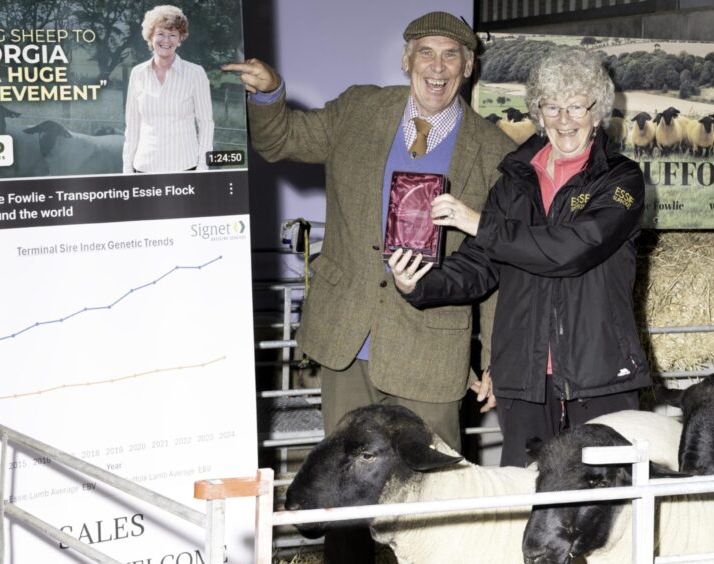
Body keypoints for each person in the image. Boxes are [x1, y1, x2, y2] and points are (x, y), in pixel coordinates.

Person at [223, 11, 513, 454]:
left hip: (431, 354)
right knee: (346, 484)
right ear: (405, 59)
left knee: (427, 488)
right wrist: (269, 95)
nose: (437, 67)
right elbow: (282, 140)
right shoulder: (359, 109)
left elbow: (494, 267)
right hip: (348, 338)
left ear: (469, 66)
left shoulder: (495, 152)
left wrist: (495, 360)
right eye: (426, 53)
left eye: (451, 55)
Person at [389, 47, 650, 468]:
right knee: (524, 490)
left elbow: (574, 249)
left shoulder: (621, 179)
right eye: (552, 106)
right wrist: (418, 282)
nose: (564, 120)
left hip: (598, 371)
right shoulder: (514, 179)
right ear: (538, 113)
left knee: (607, 495)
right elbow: (480, 263)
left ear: (597, 113)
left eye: (576, 106)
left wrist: (481, 224)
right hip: (524, 376)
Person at [122, 5, 214, 173]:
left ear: (180, 39)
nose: (166, 40)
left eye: (173, 35)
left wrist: (202, 167)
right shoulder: (137, 73)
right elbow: (132, 124)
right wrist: (127, 169)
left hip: (185, 167)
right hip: (144, 168)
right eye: (160, 34)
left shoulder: (195, 73)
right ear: (150, 37)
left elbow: (206, 123)